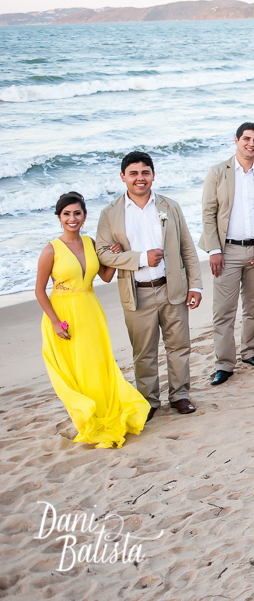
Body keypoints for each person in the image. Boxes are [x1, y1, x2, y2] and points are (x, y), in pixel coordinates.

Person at [35, 192, 149, 448]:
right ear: (59, 217)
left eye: (77, 213)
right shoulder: (51, 249)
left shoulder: (90, 243)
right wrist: (55, 322)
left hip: (90, 311)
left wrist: (117, 254)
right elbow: (40, 290)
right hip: (63, 314)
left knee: (97, 365)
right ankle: (87, 419)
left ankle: (103, 413)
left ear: (84, 216)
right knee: (75, 370)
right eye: (66, 214)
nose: (72, 218)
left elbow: (106, 276)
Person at [96, 152, 202, 421]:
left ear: (153, 175)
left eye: (145, 172)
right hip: (137, 292)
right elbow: (103, 254)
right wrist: (140, 258)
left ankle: (180, 395)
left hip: (172, 287)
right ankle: (149, 401)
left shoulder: (169, 206)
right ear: (123, 177)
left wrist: (196, 285)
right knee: (143, 352)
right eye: (133, 173)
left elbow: (186, 247)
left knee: (179, 345)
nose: (139, 178)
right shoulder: (110, 213)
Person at [199, 122, 254, 386]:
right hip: (227, 251)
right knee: (224, 311)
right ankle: (224, 364)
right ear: (236, 140)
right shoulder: (218, 172)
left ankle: (251, 352)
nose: (251, 144)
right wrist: (214, 250)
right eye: (246, 139)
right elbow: (208, 214)